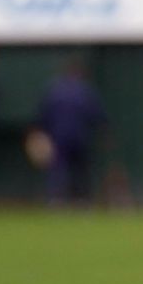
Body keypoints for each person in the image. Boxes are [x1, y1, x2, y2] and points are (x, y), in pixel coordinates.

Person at [36, 59, 105, 205]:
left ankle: (56, 199)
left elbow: (44, 114)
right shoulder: (85, 91)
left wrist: (41, 130)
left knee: (58, 167)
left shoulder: (54, 90)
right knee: (80, 169)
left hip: (59, 136)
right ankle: (82, 199)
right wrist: (103, 130)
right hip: (79, 136)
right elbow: (95, 114)